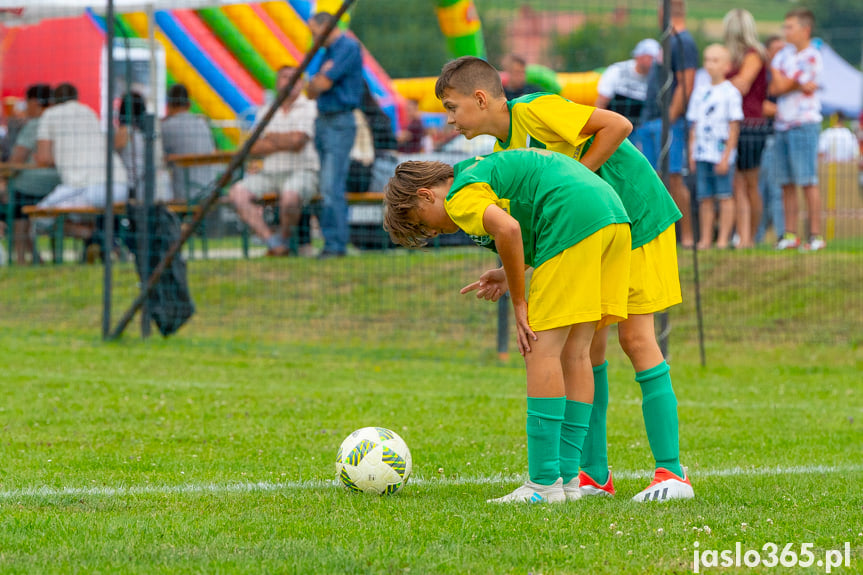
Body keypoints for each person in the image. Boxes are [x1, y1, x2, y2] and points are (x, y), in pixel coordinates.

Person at [435, 57, 693, 501]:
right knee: (587, 343)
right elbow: (555, 228)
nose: (450, 119)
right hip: (597, 230)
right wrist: (507, 270)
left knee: (635, 339)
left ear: (480, 99)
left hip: (638, 215)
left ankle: (672, 473)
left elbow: (617, 125)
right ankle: (593, 474)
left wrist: (580, 177)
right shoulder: (504, 154)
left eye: (453, 107)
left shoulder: (534, 111)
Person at [383, 149, 632, 503]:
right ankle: (569, 482)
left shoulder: (459, 196)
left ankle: (544, 484)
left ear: (426, 195)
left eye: (423, 222)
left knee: (539, 350)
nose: (433, 231)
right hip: (610, 215)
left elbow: (509, 229)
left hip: (574, 217)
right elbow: (529, 225)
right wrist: (508, 272)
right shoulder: (479, 173)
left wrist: (519, 302)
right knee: (576, 353)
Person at [227, 65, 319, 257]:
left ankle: (284, 240)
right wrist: (286, 140)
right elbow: (252, 147)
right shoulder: (266, 110)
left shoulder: (311, 107)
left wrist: (269, 140)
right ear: (277, 83)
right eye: (285, 77)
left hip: (302, 171)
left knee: (290, 196)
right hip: (269, 173)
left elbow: (299, 141)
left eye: (294, 77)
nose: (290, 81)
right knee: (236, 193)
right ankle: (273, 242)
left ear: (302, 83)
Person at [35, 83, 128, 241]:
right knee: (79, 213)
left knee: (40, 217)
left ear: (53, 100)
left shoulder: (50, 114)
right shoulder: (89, 112)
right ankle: (100, 244)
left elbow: (43, 158)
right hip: (119, 184)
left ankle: (98, 239)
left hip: (86, 187)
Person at [640, 0, 699, 248]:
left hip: (667, 124)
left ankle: (686, 237)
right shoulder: (668, 41)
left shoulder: (683, 41)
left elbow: (687, 84)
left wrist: (670, 118)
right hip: (651, 120)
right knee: (654, 178)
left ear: (663, 11)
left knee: (674, 178)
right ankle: (662, 238)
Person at [307, 11, 365, 259]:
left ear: (325, 26)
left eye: (313, 31)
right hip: (324, 121)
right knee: (327, 185)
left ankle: (336, 244)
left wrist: (319, 81)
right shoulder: (327, 54)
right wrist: (318, 81)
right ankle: (333, 242)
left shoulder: (347, 47)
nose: (312, 37)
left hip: (340, 121)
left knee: (332, 185)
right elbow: (310, 91)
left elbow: (322, 85)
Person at [770, 8, 824, 251]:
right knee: (786, 183)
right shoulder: (783, 55)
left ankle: (816, 236)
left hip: (804, 123)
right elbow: (776, 87)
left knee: (807, 180)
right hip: (782, 123)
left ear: (805, 29)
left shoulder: (813, 56)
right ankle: (790, 235)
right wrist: (792, 84)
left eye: (790, 26)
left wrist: (785, 82)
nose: (785, 31)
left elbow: (783, 84)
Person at [687, 44, 743, 250]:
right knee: (704, 197)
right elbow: (694, 125)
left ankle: (723, 239)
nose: (710, 65)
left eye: (715, 60)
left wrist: (727, 155)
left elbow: (734, 126)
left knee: (725, 195)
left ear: (727, 66)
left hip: (720, 154)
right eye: (707, 59)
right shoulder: (700, 91)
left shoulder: (731, 93)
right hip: (702, 153)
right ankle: (705, 239)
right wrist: (692, 153)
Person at [722, 9, 768, 249]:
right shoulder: (734, 57)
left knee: (750, 183)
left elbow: (742, 84)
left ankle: (751, 236)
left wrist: (717, 83)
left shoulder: (753, 55)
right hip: (734, 124)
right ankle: (743, 237)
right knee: (737, 184)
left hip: (751, 125)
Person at [5, 84, 61, 263]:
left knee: (13, 200)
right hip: (59, 183)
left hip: (33, 185)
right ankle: (36, 258)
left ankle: (20, 259)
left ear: (35, 102)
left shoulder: (35, 125)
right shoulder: (58, 121)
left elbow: (16, 160)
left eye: (26, 102)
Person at [161, 84, 220, 201]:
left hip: (185, 195)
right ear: (188, 104)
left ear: (168, 105)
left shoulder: (166, 127)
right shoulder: (203, 124)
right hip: (209, 191)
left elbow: (158, 159)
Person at [115, 91, 171, 202]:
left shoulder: (124, 131)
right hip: (153, 185)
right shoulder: (149, 133)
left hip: (132, 187)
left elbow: (113, 155)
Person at [757, 36, 786, 244]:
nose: (781, 53)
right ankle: (755, 238)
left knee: (776, 191)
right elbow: (762, 107)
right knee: (760, 192)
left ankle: (781, 236)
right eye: (776, 49)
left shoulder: (783, 76)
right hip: (760, 139)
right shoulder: (765, 77)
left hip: (776, 139)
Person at [595, 39, 662, 129]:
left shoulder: (658, 78)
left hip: (639, 129)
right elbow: (601, 102)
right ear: (639, 56)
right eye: (651, 58)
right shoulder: (617, 70)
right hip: (613, 126)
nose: (655, 62)